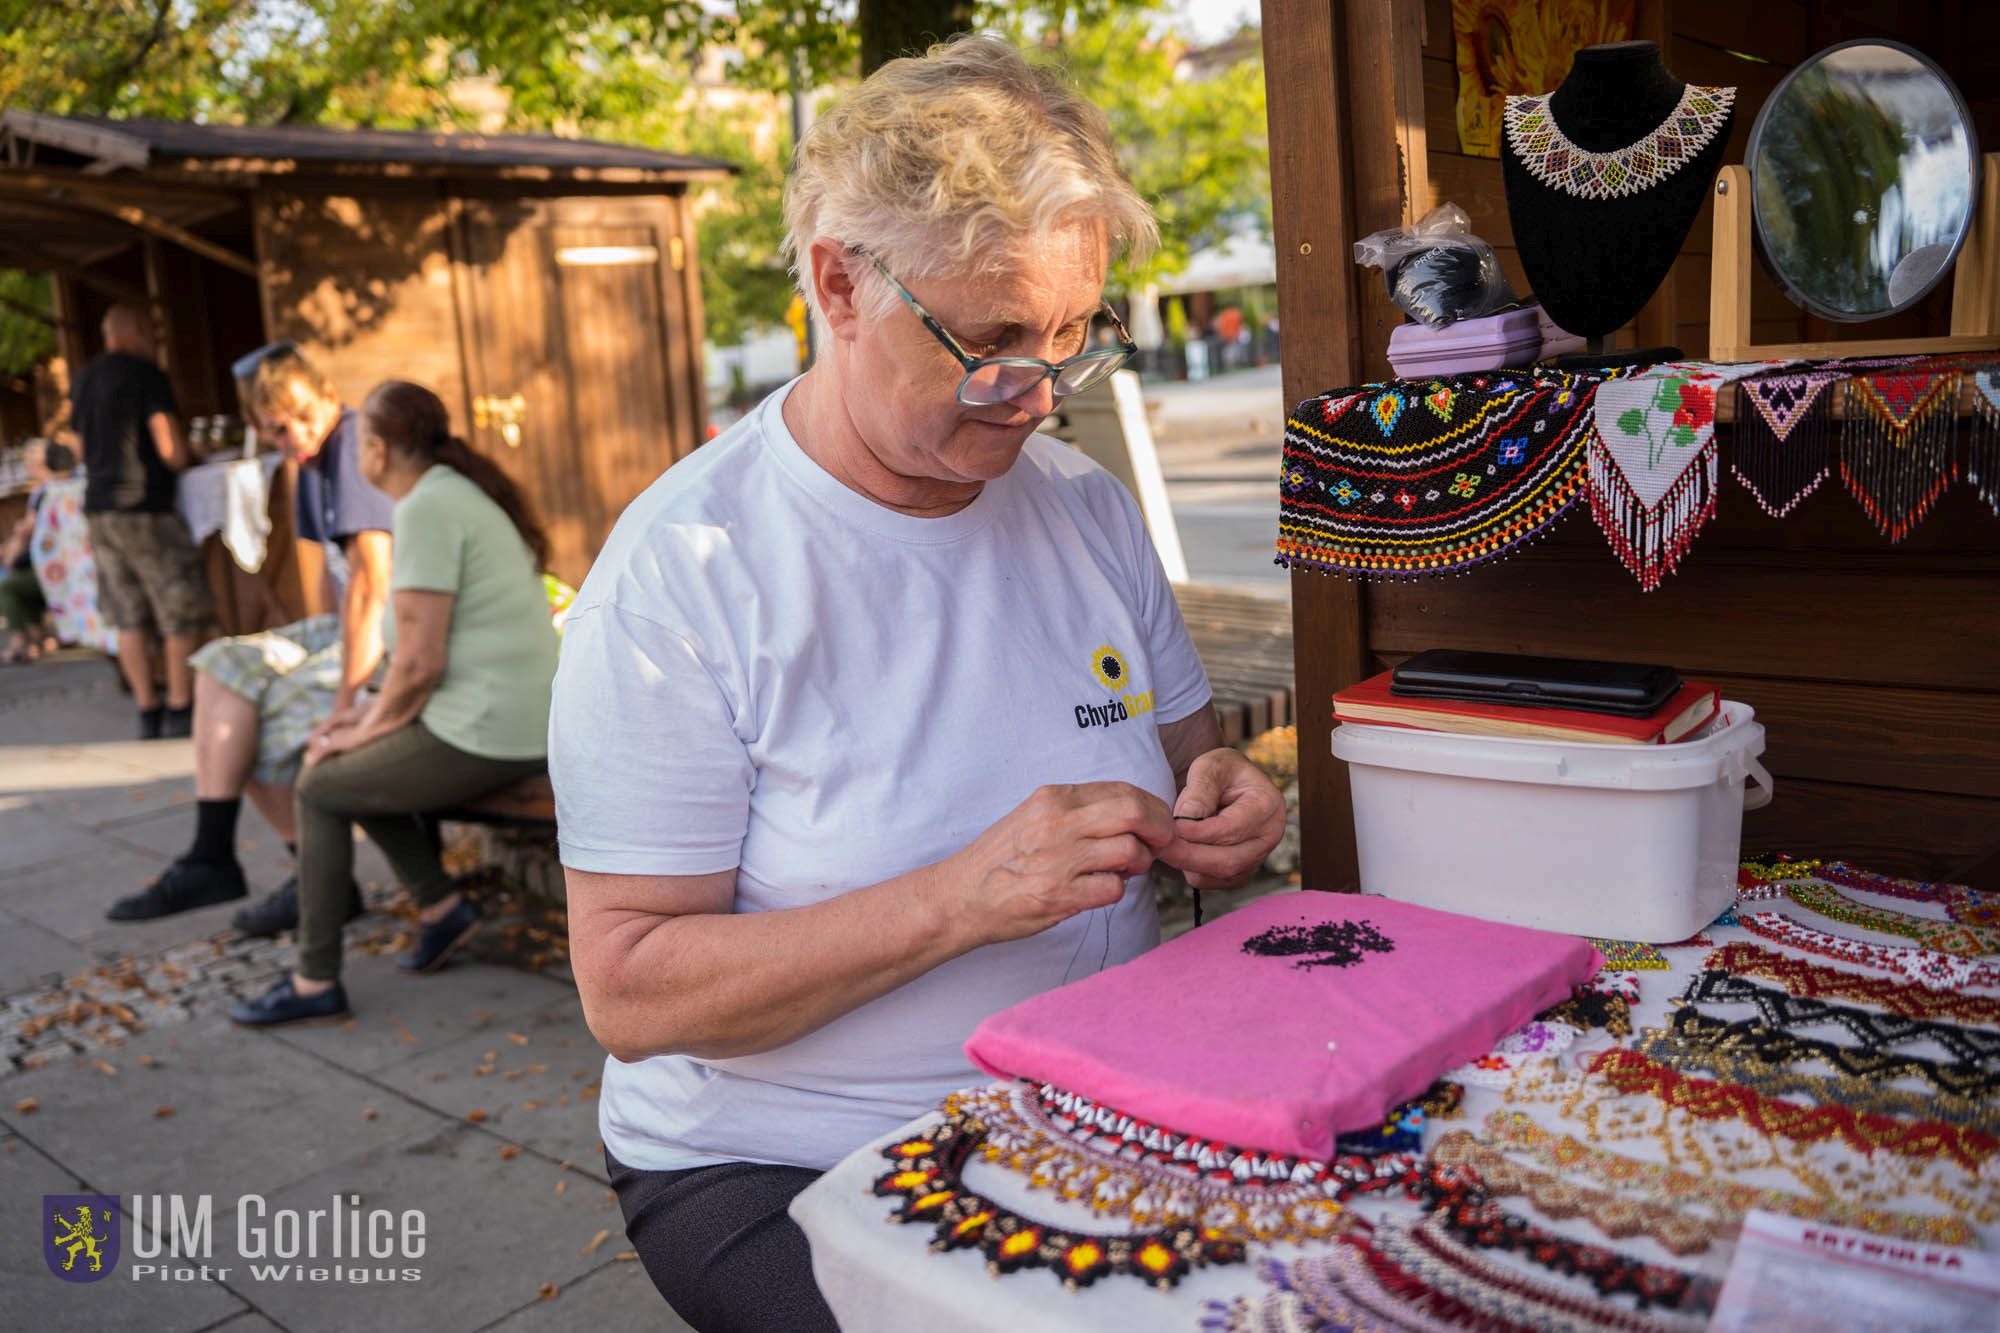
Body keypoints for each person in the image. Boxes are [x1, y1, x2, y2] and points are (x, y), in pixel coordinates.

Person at [547, 36, 1286, 1332]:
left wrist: (1219, 800)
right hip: (783, 1162)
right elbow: (630, 987)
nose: (1039, 399)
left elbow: (1185, 766)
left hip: (1098, 1094)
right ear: (839, 283)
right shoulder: (688, 573)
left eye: (1074, 338)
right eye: (993, 342)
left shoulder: (1084, 506)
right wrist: (957, 900)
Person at [229, 381, 559, 1025]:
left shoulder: (427, 508)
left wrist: (362, 729)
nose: (353, 454)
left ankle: (313, 980)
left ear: (378, 449)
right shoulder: (446, 493)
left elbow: (419, 662)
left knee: (321, 783)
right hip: (502, 718)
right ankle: (441, 909)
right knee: (345, 769)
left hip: (491, 731)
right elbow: (420, 662)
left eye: (357, 443)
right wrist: (363, 723)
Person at [106, 348, 396, 923]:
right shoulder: (312, 461)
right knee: (219, 666)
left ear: (329, 397)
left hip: (397, 638)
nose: (295, 437)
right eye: (277, 431)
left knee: (256, 720)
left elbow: (372, 585)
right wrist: (321, 644)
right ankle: (213, 853)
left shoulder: (353, 442)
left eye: (302, 420)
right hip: (353, 630)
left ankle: (318, 881)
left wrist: (345, 697)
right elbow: (339, 588)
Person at [73, 304, 210, 737]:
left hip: (100, 508)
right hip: (145, 508)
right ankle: (180, 707)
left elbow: (79, 450)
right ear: (131, 331)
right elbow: (169, 447)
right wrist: (190, 455)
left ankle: (147, 711)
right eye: (149, 330)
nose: (154, 338)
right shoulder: (147, 375)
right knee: (178, 610)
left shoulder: (85, 378)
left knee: (128, 616)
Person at [0, 439, 69, 663]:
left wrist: (9, 553)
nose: (28, 464)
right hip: (57, 563)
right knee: (15, 579)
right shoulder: (53, 488)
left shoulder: (47, 491)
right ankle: (40, 635)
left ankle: (22, 641)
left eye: (31, 459)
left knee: (7, 587)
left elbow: (26, 531)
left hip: (55, 566)